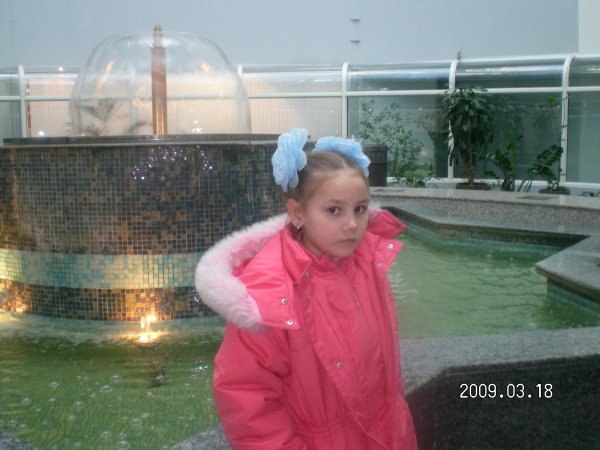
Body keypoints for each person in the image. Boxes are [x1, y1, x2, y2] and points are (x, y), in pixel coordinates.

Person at [195, 128, 418, 449]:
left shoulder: (369, 261)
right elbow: (246, 395)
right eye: (334, 210)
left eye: (360, 208)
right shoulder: (268, 295)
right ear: (297, 212)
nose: (352, 224)